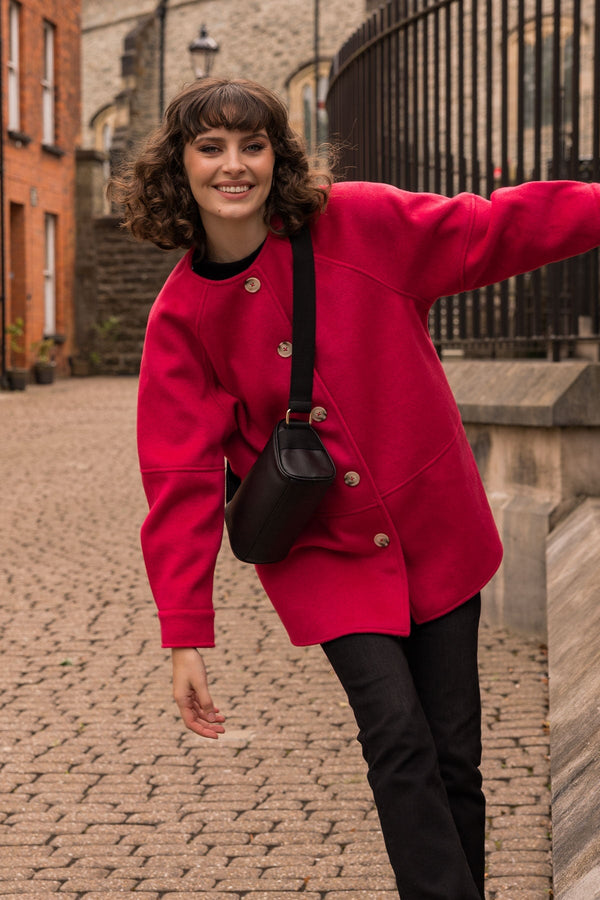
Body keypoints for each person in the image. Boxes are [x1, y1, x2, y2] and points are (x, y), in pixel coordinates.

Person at [111, 76, 600, 899]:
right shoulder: (180, 318)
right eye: (211, 148)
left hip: (435, 524)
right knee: (397, 737)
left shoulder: (359, 223)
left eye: (253, 145)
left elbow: (492, 230)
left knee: (454, 751)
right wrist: (184, 634)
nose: (234, 166)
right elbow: (180, 480)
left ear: (278, 157)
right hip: (324, 555)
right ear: (179, 168)